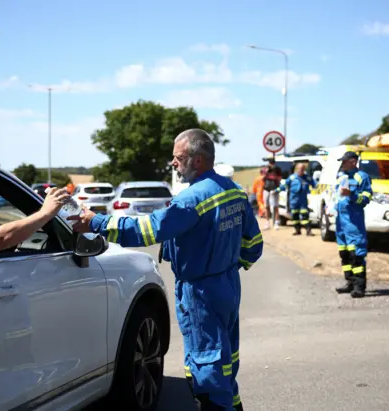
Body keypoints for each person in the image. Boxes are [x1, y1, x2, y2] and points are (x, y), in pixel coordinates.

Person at [69, 128, 263, 411]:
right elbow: (254, 244)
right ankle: (232, 404)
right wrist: (230, 265)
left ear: (197, 160)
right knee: (225, 360)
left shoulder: (190, 200)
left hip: (200, 292)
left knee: (206, 365)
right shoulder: (233, 191)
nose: (173, 163)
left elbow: (146, 231)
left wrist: (96, 222)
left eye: (178, 157)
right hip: (228, 285)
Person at [333, 151, 372, 298]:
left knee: (356, 253)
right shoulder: (341, 177)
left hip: (353, 221)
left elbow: (366, 199)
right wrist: (330, 207)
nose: (342, 164)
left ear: (353, 162)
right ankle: (349, 282)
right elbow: (336, 196)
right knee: (344, 253)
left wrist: (352, 195)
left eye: (344, 161)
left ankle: (359, 286)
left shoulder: (362, 177)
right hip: (340, 222)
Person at [276, 163, 315, 236]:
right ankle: (297, 230)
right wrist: (277, 190)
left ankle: (308, 230)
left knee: (305, 216)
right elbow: (284, 185)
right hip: (294, 200)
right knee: (295, 216)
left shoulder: (307, 178)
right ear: (297, 169)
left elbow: (314, 184)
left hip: (303, 200)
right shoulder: (292, 178)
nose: (301, 170)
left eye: (303, 169)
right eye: (300, 169)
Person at [262, 158, 282, 230]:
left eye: (272, 162)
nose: (271, 164)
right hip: (266, 188)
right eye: (270, 162)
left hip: (275, 189)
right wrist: (266, 172)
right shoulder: (265, 169)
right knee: (266, 206)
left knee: (275, 206)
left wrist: (273, 175)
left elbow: (279, 178)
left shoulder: (277, 169)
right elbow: (262, 178)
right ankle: (267, 223)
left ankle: (276, 223)